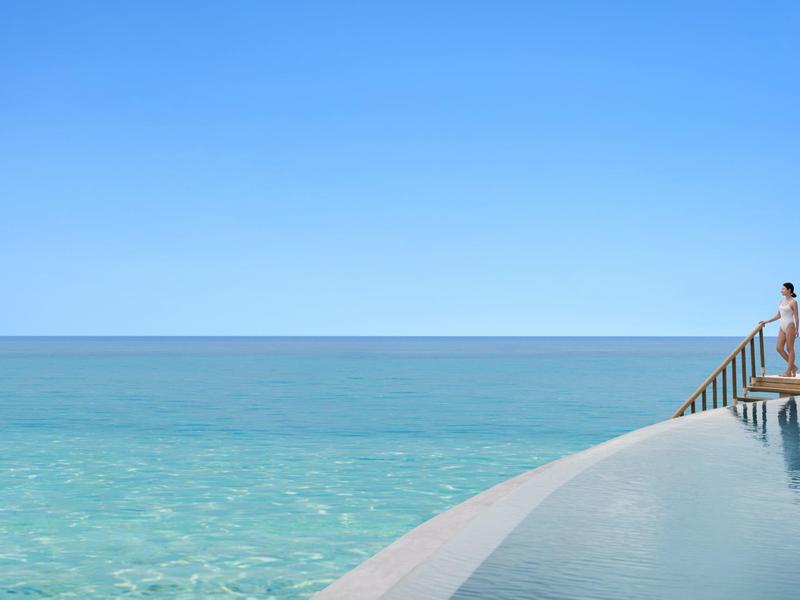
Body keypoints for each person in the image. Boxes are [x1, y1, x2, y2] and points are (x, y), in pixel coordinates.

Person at [760, 283, 800, 377]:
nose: (781, 290)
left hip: (790, 326)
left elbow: (796, 317)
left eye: (783, 289)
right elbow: (778, 315)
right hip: (782, 326)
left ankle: (789, 371)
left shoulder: (793, 302)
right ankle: (793, 367)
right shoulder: (781, 301)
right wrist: (767, 321)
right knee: (779, 348)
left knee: (789, 348)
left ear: (789, 290)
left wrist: (797, 329)